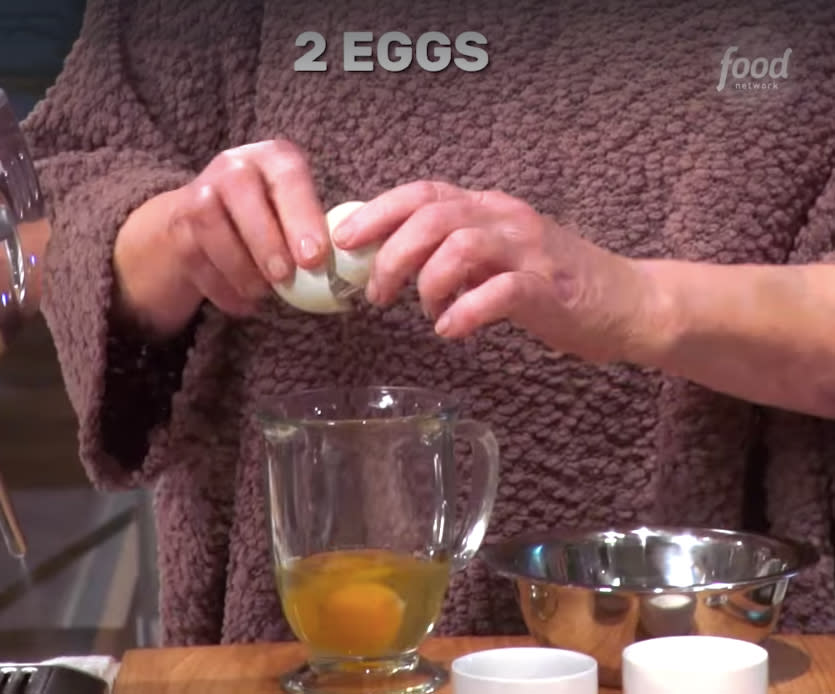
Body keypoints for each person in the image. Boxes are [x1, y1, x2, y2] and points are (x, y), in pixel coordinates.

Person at [21, 0, 835, 645]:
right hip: (306, 637)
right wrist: (169, 237)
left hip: (717, 636)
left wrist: (638, 302)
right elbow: (61, 200)